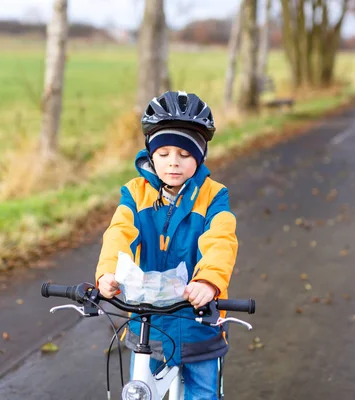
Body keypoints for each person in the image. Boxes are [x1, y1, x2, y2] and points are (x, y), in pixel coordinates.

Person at [95, 90, 238, 399]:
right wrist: (108, 272)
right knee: (140, 390)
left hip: (200, 321)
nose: (173, 163)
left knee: (203, 393)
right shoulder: (135, 193)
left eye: (185, 155)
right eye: (163, 154)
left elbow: (220, 240)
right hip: (150, 323)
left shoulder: (213, 196)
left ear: (199, 157)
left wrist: (209, 281)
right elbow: (119, 232)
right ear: (150, 155)